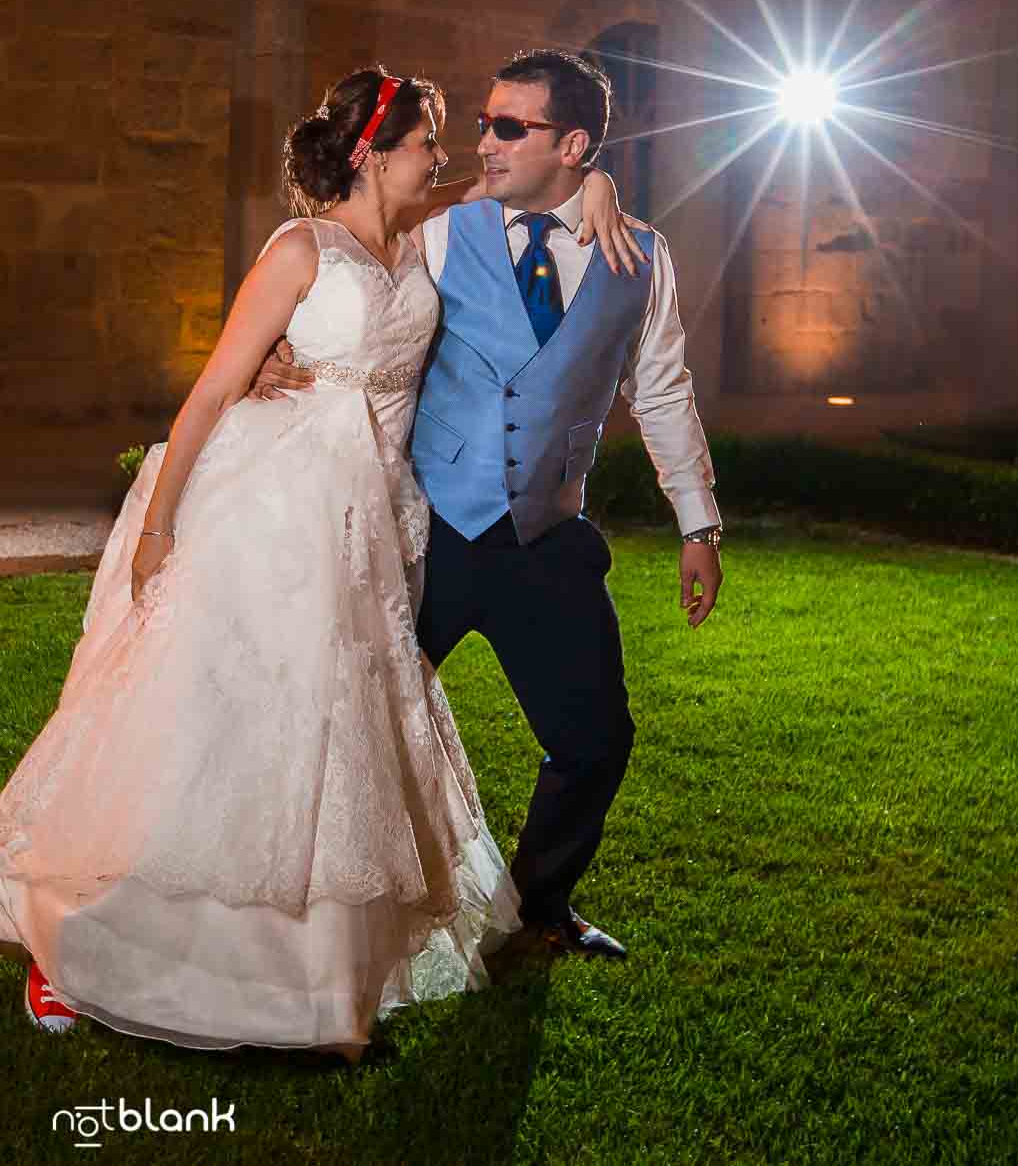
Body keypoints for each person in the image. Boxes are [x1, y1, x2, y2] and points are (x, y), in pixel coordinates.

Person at [0, 68, 640, 1060]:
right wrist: (155, 527)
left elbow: (546, 183)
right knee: (239, 733)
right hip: (275, 508)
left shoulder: (423, 244)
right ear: (371, 154)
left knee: (340, 742)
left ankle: (314, 990)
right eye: (425, 144)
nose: (442, 158)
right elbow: (207, 393)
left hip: (375, 520)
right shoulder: (296, 250)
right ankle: (83, 943)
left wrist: (605, 187)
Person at [258, 48, 724, 961]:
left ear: (574, 143)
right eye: (481, 122)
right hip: (424, 528)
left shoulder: (642, 259)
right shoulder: (443, 233)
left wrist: (697, 524)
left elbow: (663, 391)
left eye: (511, 126)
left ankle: (539, 907)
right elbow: (346, 279)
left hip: (544, 536)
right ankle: (288, 908)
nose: (485, 140)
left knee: (596, 737)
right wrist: (281, 350)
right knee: (337, 715)